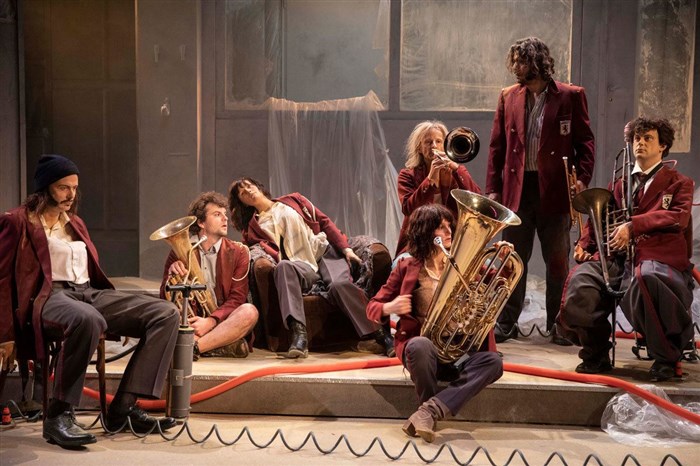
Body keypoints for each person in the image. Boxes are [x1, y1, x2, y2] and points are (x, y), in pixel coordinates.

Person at [0, 155, 179, 447]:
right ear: (44, 187)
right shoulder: (18, 221)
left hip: (87, 292)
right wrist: (5, 333)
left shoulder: (75, 223)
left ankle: (124, 409)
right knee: (87, 318)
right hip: (48, 296)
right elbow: (3, 279)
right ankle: (58, 416)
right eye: (63, 187)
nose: (71, 194)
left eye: (74, 187)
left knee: (166, 313)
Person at [558, 117, 694, 381]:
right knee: (581, 282)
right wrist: (584, 244)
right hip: (617, 259)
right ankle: (595, 353)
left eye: (648, 138)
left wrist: (633, 226)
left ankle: (666, 357)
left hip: (657, 256)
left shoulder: (679, 182)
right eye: (636, 139)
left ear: (663, 146)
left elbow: (678, 217)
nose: (640, 143)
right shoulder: (618, 184)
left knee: (649, 279)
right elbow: (599, 220)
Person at [485, 37, 595, 345]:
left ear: (538, 62)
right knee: (512, 259)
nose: (517, 67)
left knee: (557, 263)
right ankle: (506, 323)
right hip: (517, 190)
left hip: (555, 190)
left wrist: (582, 179)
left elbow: (585, 142)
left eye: (522, 61)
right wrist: (493, 189)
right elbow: (496, 147)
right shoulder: (508, 96)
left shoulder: (571, 96)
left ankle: (559, 325)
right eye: (516, 61)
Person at [367, 204, 503, 443]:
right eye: (441, 227)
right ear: (425, 232)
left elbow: (500, 279)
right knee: (420, 345)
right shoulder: (407, 267)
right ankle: (431, 408)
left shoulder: (464, 264)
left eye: (450, 225)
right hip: (426, 351)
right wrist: (391, 307)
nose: (450, 231)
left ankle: (428, 412)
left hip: (460, 350)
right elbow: (372, 307)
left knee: (493, 362)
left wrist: (504, 261)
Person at [228, 177, 393, 358]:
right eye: (242, 193)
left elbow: (324, 222)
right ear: (242, 202)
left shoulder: (294, 200)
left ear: (258, 187)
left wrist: (346, 249)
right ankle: (299, 335)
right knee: (283, 267)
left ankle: (380, 335)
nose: (248, 191)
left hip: (324, 254)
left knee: (339, 285)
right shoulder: (253, 228)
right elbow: (258, 252)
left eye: (249, 186)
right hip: (300, 265)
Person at [160, 192, 258, 360]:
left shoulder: (239, 252)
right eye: (217, 214)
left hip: (223, 321)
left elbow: (237, 299)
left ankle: (193, 348)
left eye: (225, 214)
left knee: (249, 311)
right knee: (168, 318)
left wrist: (211, 321)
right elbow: (164, 297)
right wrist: (171, 277)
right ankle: (217, 346)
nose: (225, 219)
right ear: (201, 222)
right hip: (193, 323)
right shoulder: (180, 250)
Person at [395, 120, 481, 257]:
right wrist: (429, 180)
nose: (434, 146)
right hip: (417, 243)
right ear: (419, 148)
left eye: (439, 141)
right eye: (428, 142)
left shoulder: (457, 172)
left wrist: (456, 169)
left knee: (486, 264)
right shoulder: (407, 175)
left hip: (452, 243)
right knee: (399, 263)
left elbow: (477, 201)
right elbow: (408, 209)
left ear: (446, 145)